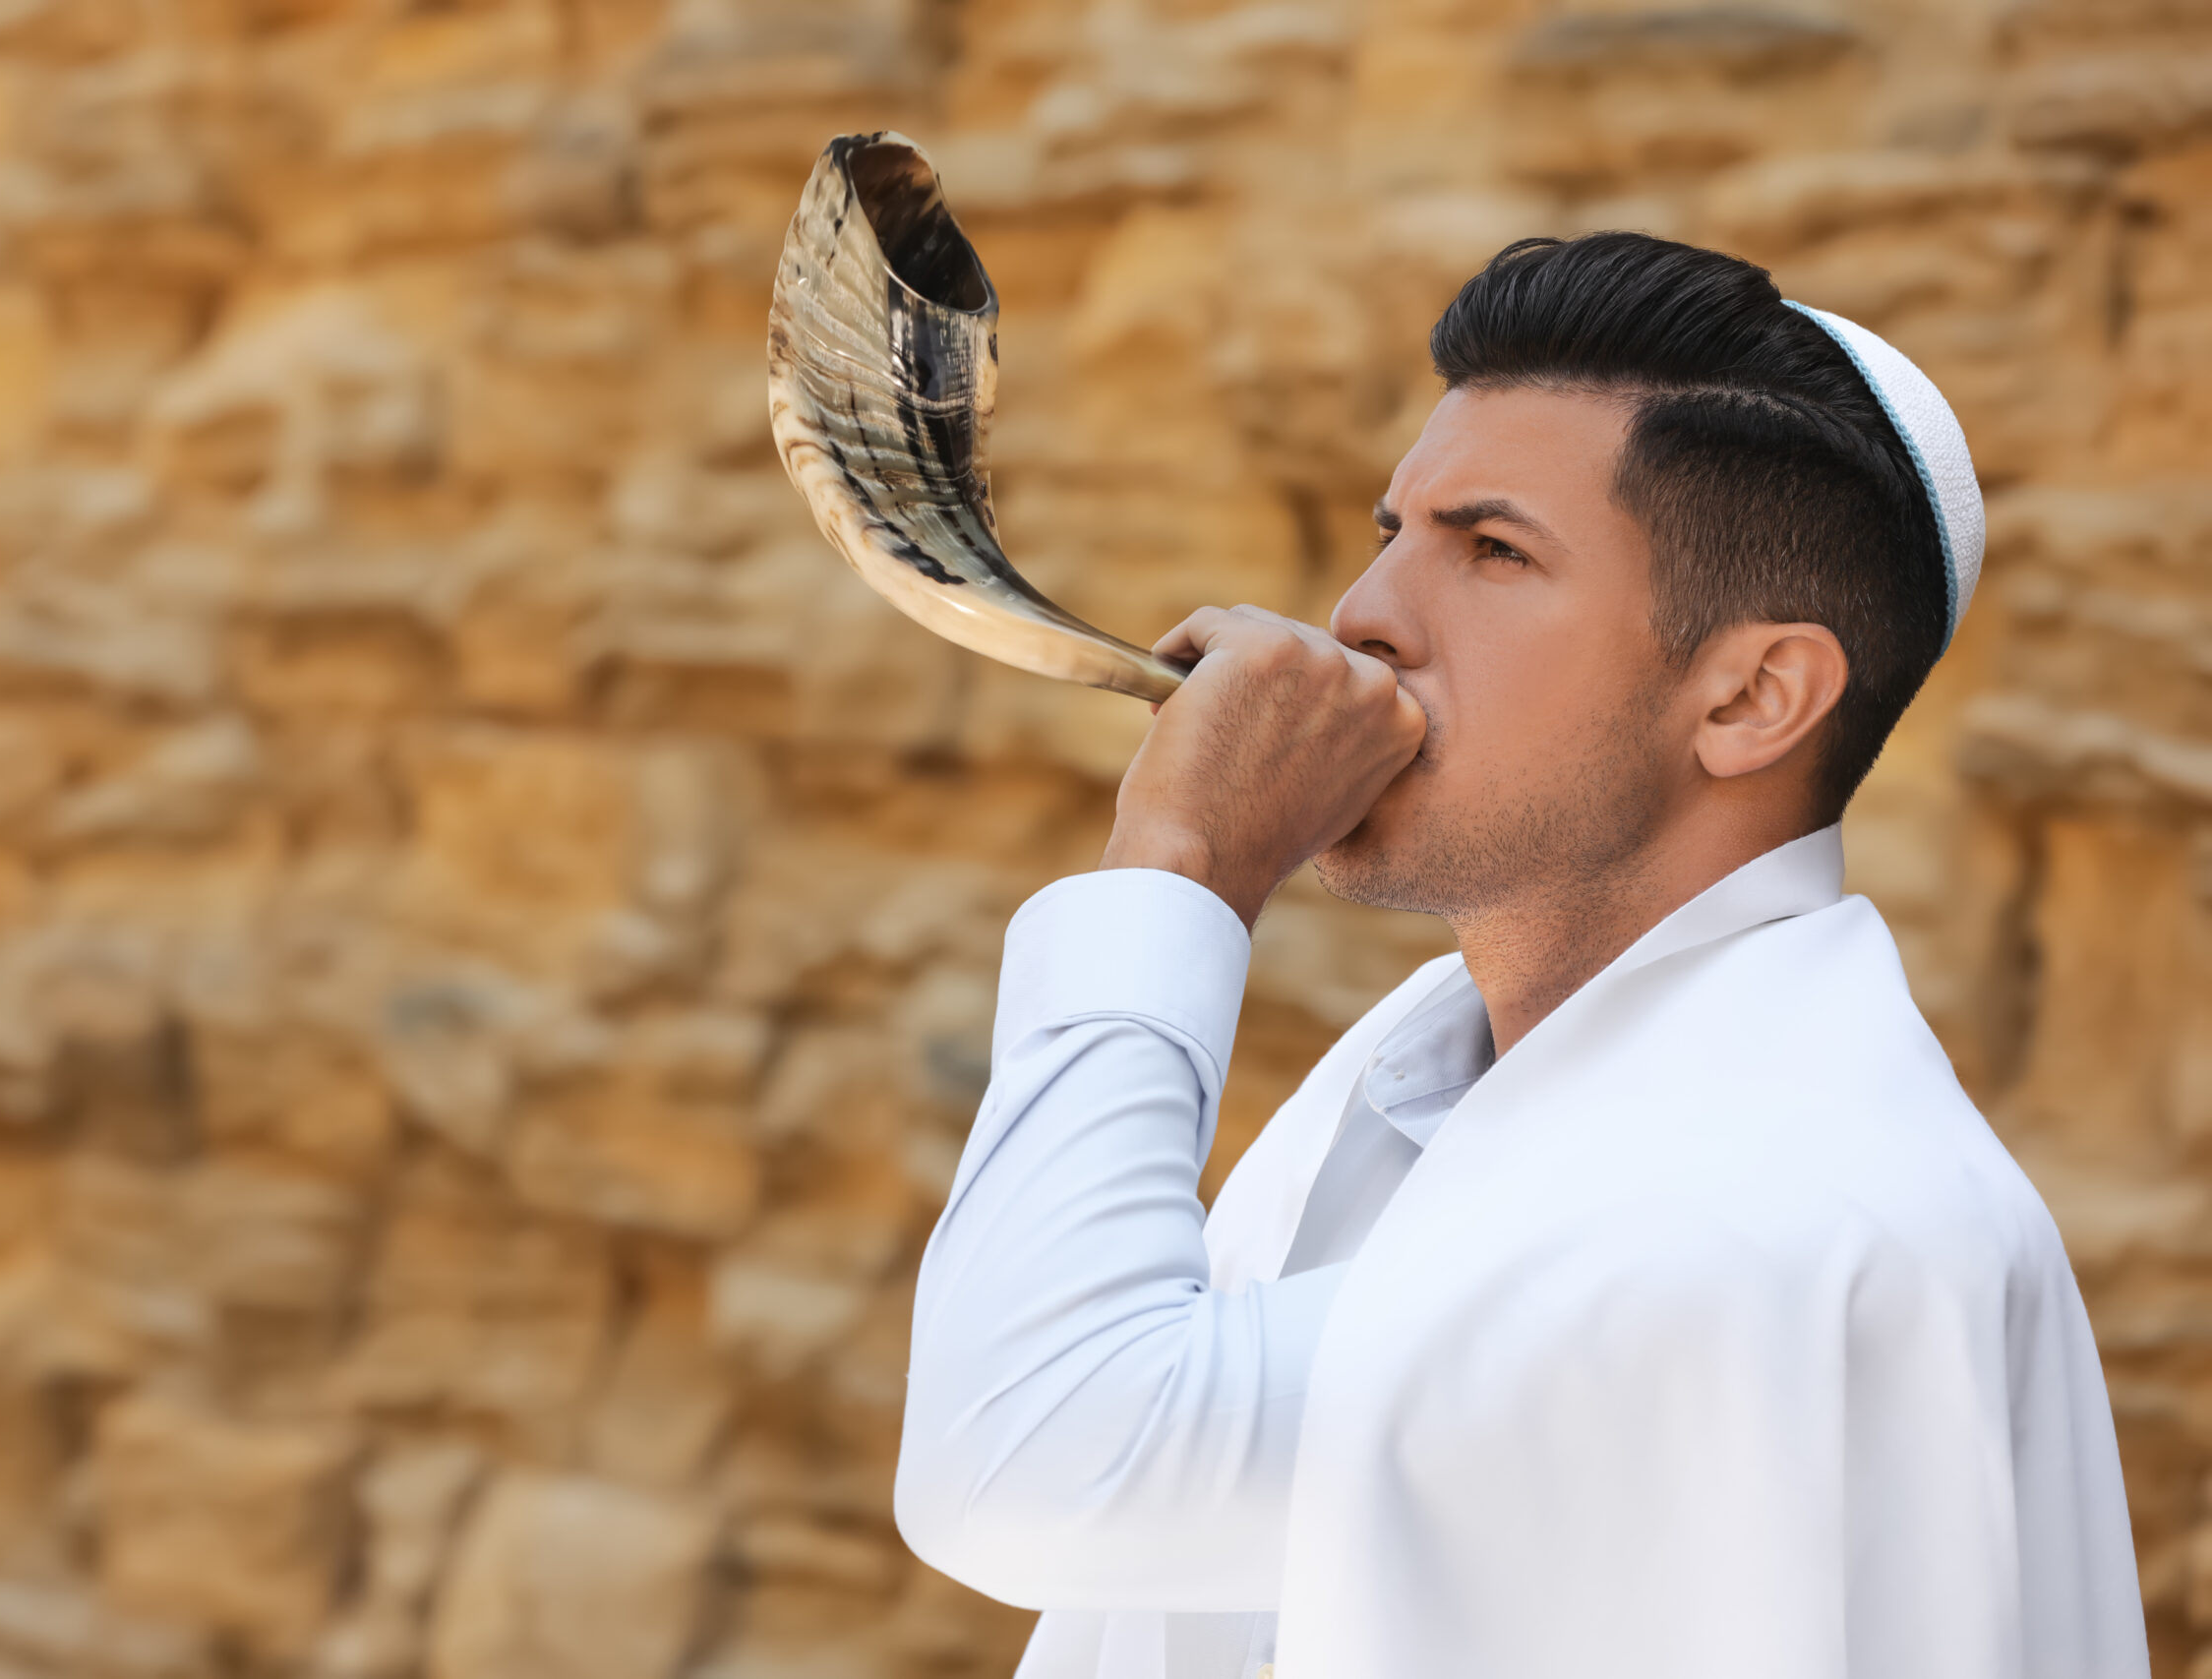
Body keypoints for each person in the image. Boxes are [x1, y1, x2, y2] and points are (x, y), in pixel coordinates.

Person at [892, 233, 2147, 1679]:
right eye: (1390, 531)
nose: (1365, 617)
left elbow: (1036, 1459)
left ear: (1751, 698)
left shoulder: (1768, 1210)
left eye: (1492, 551)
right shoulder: (1418, 1089)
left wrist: (1183, 865)